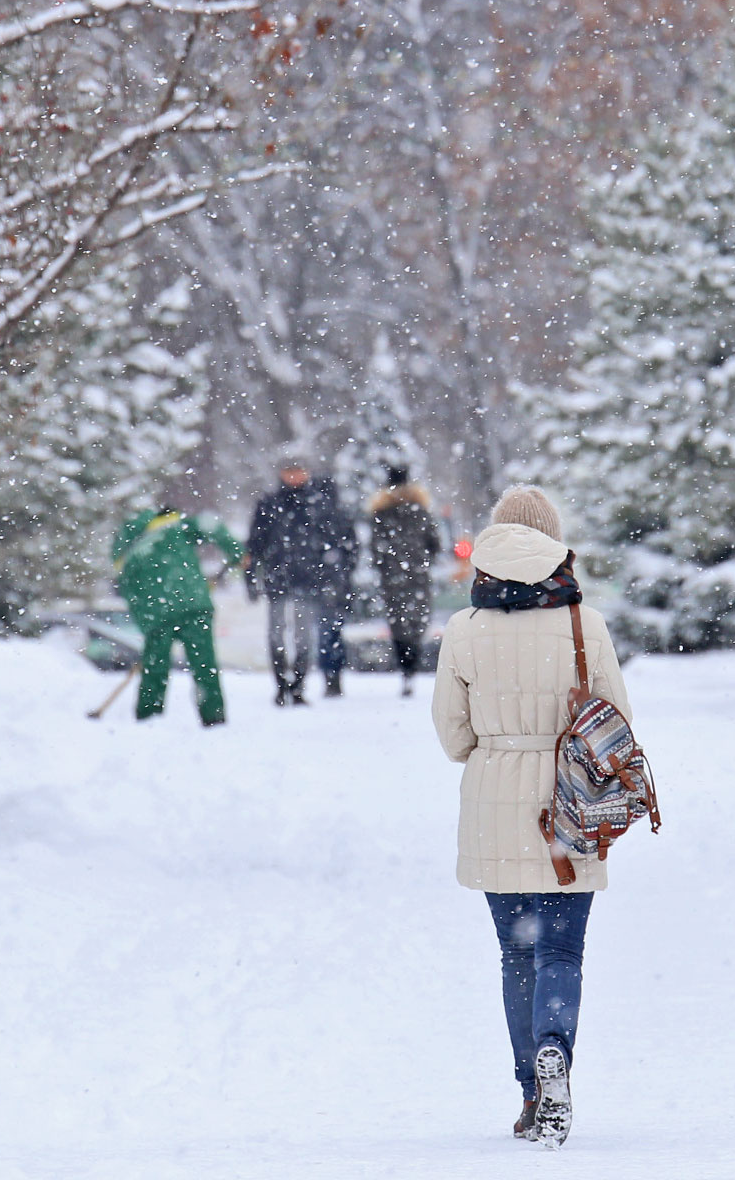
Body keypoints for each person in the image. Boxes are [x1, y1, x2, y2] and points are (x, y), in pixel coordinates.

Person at [432, 485, 631, 1150]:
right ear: (553, 542)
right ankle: (555, 1051)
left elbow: (452, 737)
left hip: (492, 800)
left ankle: (528, 1091)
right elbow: (617, 725)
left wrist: (499, 743)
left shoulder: (464, 630)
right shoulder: (584, 623)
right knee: (561, 950)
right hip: (570, 805)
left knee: (515, 954)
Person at [110, 506, 244, 724]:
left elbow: (131, 596)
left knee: (154, 669)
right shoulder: (178, 529)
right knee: (204, 666)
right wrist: (236, 553)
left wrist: (147, 626)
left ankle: (148, 717)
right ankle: (214, 717)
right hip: (195, 606)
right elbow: (210, 524)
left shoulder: (131, 554)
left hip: (158, 616)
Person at [246, 458, 358, 704]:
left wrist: (331, 575)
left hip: (307, 581)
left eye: (299, 471)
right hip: (279, 580)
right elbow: (255, 544)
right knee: (277, 634)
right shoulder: (270, 504)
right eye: (290, 471)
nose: (295, 477)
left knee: (302, 635)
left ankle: (298, 684)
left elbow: (335, 543)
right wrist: (252, 577)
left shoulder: (319, 504)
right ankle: (280, 683)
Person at [368, 465, 442, 697]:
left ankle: (405, 667)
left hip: (392, 580)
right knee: (417, 624)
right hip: (418, 577)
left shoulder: (381, 514)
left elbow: (375, 550)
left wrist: (385, 566)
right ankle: (412, 666)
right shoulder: (421, 511)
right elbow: (435, 544)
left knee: (398, 625)